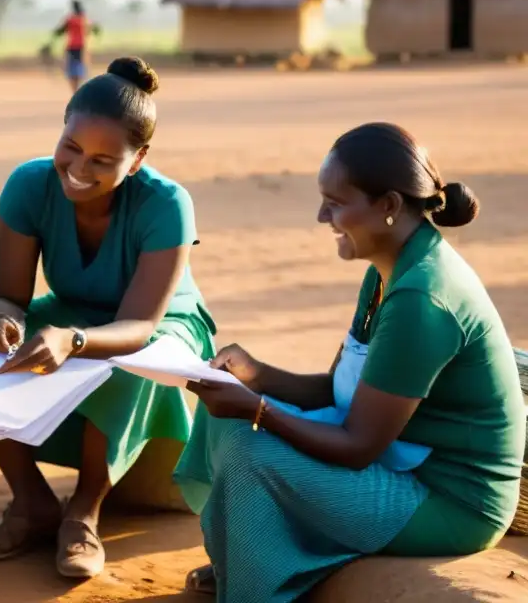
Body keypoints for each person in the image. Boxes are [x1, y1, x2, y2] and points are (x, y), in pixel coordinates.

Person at [175, 122, 526, 602]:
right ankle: (245, 556)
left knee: (250, 451)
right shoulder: (388, 266)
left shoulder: (422, 298)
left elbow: (357, 444)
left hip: (448, 501)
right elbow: (340, 390)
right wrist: (255, 375)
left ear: (388, 206)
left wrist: (256, 408)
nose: (323, 215)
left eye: (336, 202)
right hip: (399, 459)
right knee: (227, 426)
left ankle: (260, 581)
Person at [0, 56, 218, 579]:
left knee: (128, 361)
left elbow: (139, 325)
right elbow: (9, 296)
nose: (78, 168)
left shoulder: (167, 204)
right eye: (71, 147)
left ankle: (84, 513)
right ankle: (31, 502)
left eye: (103, 160)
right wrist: (4, 321)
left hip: (161, 324)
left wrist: (72, 340)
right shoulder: (28, 185)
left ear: (137, 160)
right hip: (72, 315)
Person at [49, 0, 101, 93]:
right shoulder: (85, 19)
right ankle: (81, 89)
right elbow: (96, 29)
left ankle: (75, 90)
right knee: (83, 68)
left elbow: (59, 32)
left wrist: (54, 34)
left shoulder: (70, 19)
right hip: (83, 47)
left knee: (71, 68)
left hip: (71, 46)